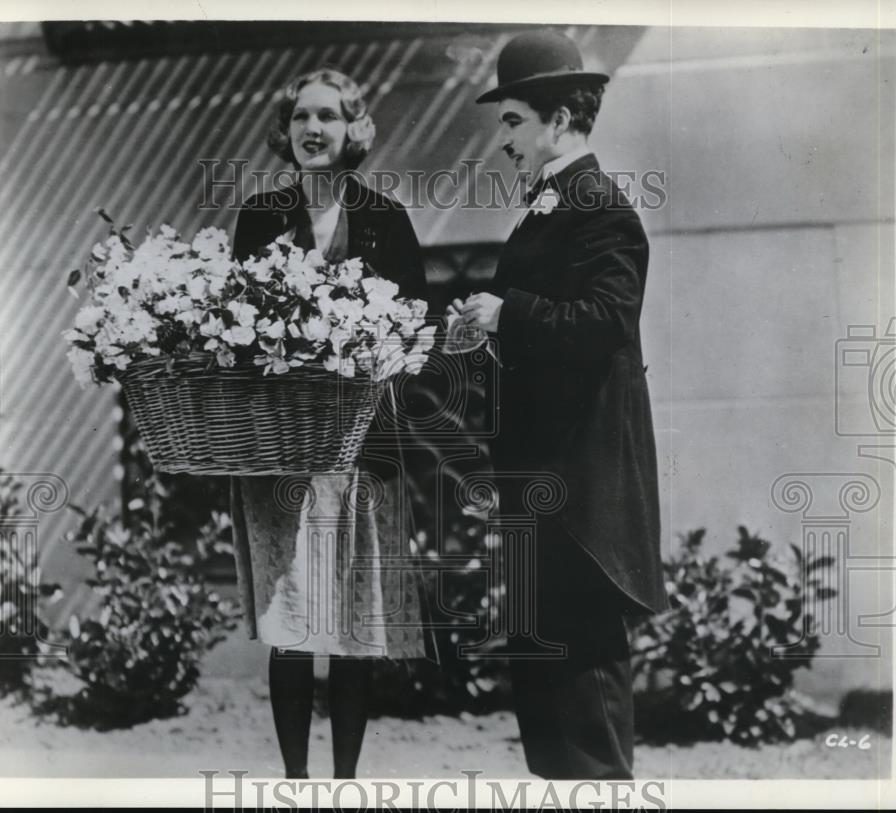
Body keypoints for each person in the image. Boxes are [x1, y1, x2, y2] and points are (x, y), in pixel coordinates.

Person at [454, 29, 668, 779]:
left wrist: (506, 313)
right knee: (547, 695)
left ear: (562, 117)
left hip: (583, 498)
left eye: (512, 120)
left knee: (584, 692)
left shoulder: (600, 209)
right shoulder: (549, 208)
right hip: (544, 485)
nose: (503, 140)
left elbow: (608, 321)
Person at [229, 67, 435, 780]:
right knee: (290, 628)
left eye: (328, 117)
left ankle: (344, 783)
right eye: (300, 119)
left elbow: (416, 331)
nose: (312, 130)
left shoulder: (385, 218)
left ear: (353, 131)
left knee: (352, 628)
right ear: (285, 133)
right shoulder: (260, 216)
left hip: (362, 452)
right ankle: (295, 782)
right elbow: (236, 332)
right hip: (281, 453)